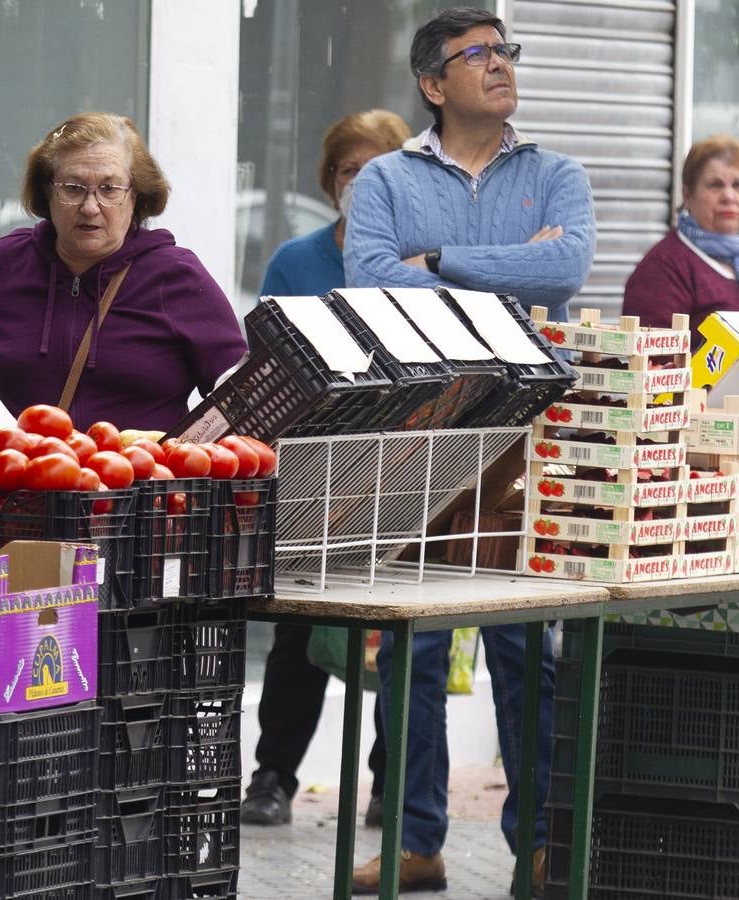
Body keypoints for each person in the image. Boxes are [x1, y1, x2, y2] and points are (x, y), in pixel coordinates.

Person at [344, 7, 595, 895]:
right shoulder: (383, 177)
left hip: (529, 429)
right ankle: (417, 840)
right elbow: (370, 273)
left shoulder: (557, 173)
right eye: (478, 54)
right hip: (422, 425)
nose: (501, 65)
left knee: (527, 646)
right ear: (432, 83)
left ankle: (538, 843)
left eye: (505, 51)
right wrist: (505, 261)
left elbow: (564, 269)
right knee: (414, 640)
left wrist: (444, 256)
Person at [243, 108, 410, 830]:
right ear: (330, 179)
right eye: (349, 171)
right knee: (297, 631)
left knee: (403, 635)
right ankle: (274, 776)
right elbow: (270, 363)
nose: (360, 184)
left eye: (377, 172)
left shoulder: (421, 263)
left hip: (407, 463)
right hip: (313, 464)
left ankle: (392, 784)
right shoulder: (296, 261)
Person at [0, 112, 245, 429]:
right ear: (47, 192)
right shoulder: (4, 263)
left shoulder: (176, 277)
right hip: (17, 474)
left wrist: (188, 455)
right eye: (72, 188)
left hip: (137, 476)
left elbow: (240, 399)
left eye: (109, 188)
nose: (90, 207)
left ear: (136, 195)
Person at [621, 136, 739, 335]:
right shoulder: (663, 267)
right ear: (687, 196)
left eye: (738, 185)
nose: (729, 196)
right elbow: (653, 358)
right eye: (715, 185)